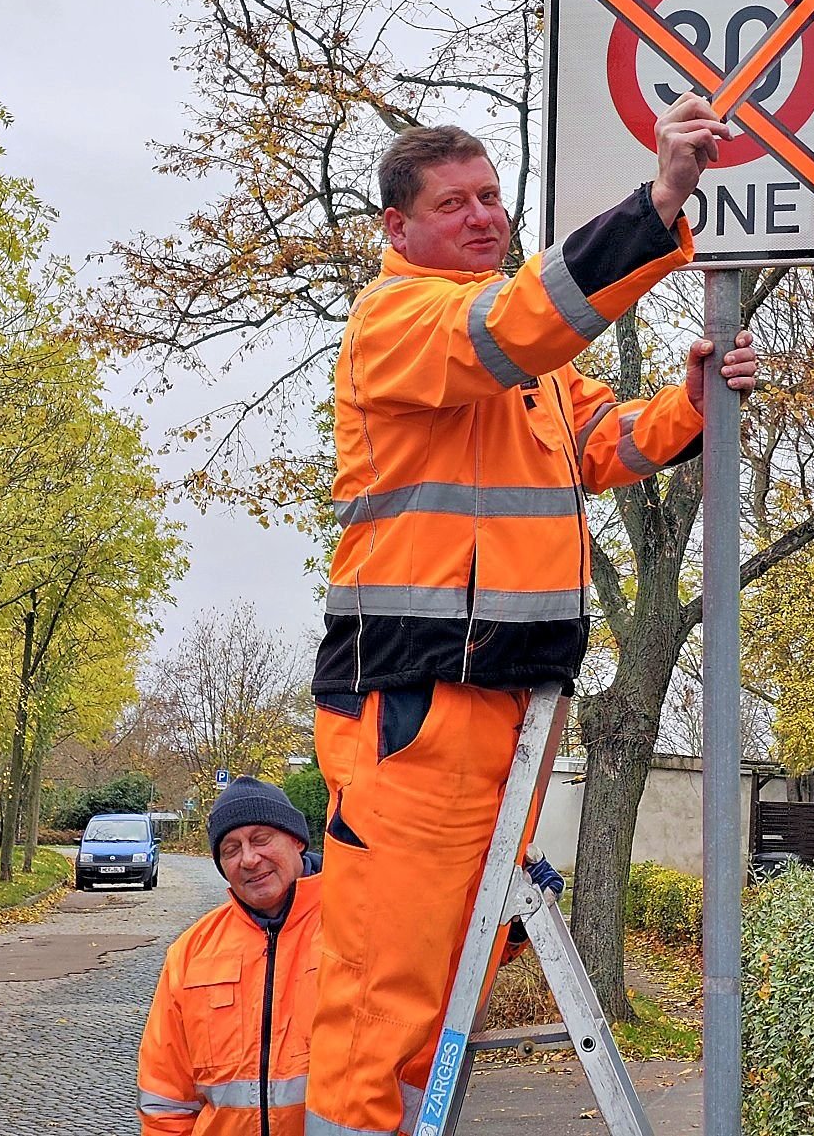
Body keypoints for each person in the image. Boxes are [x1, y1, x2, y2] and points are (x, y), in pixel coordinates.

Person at [306, 93, 758, 1136]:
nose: (483, 216)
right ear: (398, 229)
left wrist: (692, 397)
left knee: (439, 987)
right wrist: (658, 204)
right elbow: (510, 329)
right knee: (385, 1007)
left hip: (501, 710)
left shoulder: (527, 366)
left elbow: (613, 443)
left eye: (492, 196)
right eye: (455, 203)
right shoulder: (401, 321)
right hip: (414, 706)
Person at [137, 777, 323, 1136]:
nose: (249, 859)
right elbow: (166, 1099)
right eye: (231, 849)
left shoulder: (356, 928)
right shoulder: (191, 953)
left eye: (261, 839)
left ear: (297, 840)